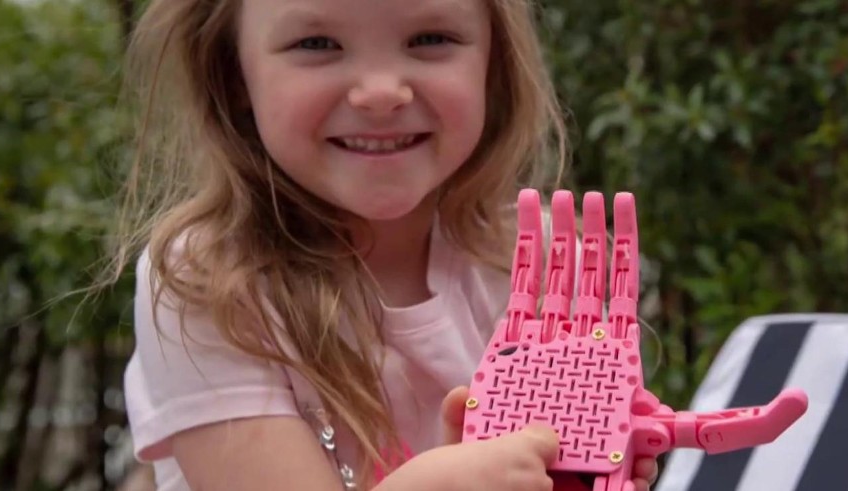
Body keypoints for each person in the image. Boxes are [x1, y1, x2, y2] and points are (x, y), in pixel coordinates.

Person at [101, 0, 660, 489]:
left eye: (430, 39)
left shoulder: (533, 266)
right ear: (233, 77)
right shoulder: (207, 282)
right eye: (316, 43)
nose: (381, 92)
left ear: (494, 66)